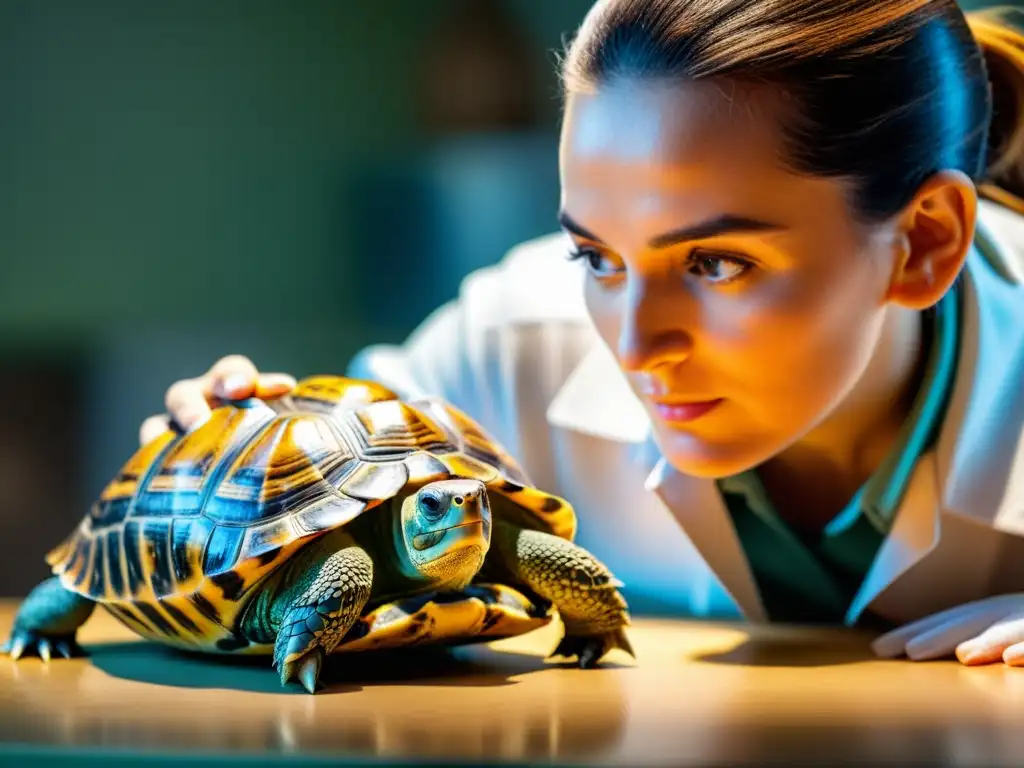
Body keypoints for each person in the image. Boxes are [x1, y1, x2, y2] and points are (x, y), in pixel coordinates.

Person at [143, 1, 1024, 667]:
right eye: (597, 257)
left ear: (926, 241)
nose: (634, 348)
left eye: (716, 263)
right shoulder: (512, 342)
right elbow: (317, 493)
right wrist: (219, 460)